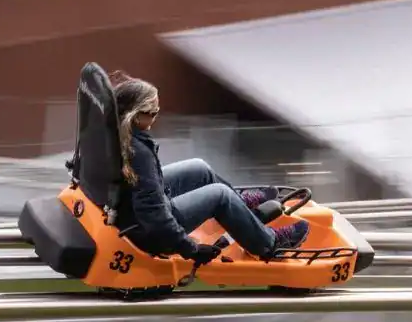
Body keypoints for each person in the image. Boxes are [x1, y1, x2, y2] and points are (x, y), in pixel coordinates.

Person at [111, 73, 310, 265]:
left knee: (199, 168)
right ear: (135, 117)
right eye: (154, 112)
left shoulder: (117, 136)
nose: (156, 117)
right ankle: (269, 244)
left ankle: (241, 209)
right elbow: (152, 213)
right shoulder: (138, 154)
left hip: (134, 215)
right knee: (220, 195)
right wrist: (191, 249)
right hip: (152, 233)